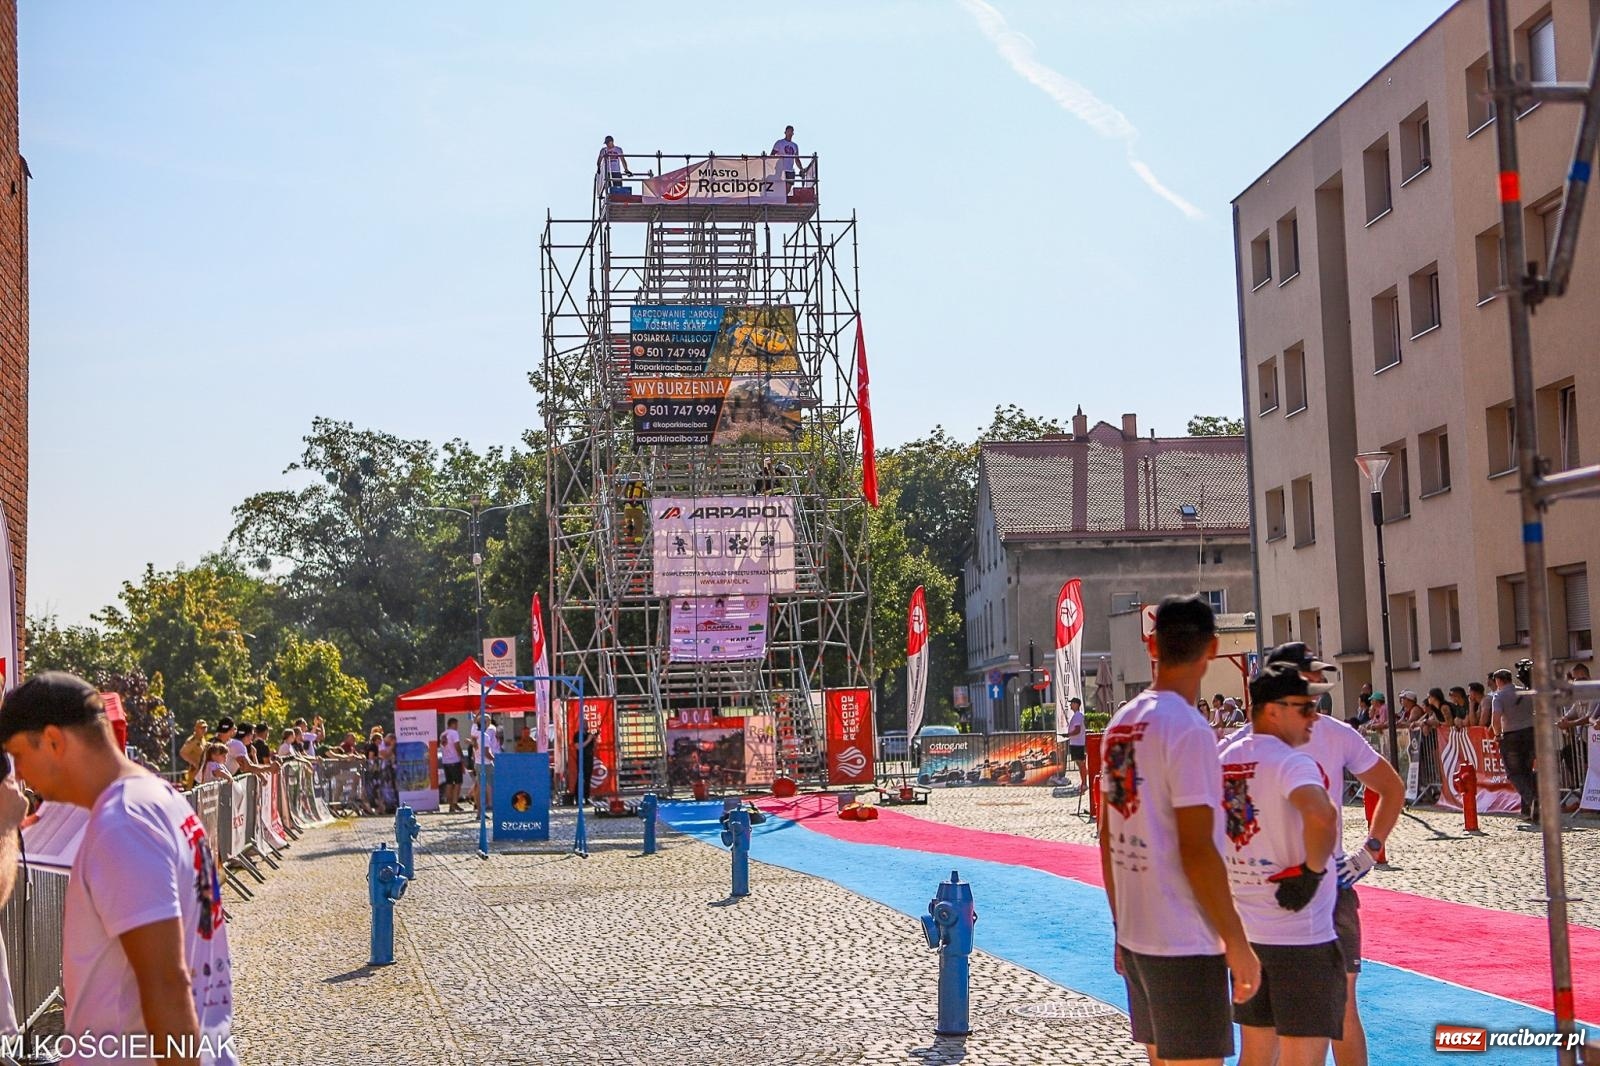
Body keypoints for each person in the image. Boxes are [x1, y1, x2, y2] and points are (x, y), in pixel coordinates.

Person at [0, 673, 238, 1064]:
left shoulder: (123, 823)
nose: (19, 774)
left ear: (54, 741)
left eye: (19, 755)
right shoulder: (156, 798)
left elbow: (166, 985)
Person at [1098, 595, 1259, 1066]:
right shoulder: (1189, 729)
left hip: (1138, 930)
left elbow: (1108, 836)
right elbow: (1198, 849)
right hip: (1184, 938)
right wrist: (1237, 942)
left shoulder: (1121, 722)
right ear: (1213, 648)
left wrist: (1120, 923)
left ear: (1152, 645)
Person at [1257, 643, 1404, 1066]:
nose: (1320, 684)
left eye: (1320, 677)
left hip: (1329, 887)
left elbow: (1391, 788)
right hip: (1270, 891)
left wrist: (1370, 851)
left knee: (1341, 1005)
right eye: (1312, 676)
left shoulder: (1337, 733)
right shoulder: (1244, 743)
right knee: (1274, 1019)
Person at [1219, 663, 1344, 1066]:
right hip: (1301, 937)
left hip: (1249, 930)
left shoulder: (1225, 757)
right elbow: (1323, 814)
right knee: (1302, 1057)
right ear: (1273, 711)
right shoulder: (1292, 761)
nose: (1314, 717)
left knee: (1256, 1053)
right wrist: (1312, 871)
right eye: (1304, 708)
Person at [1491, 663, 1538, 821]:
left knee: (1514, 773)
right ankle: (1528, 811)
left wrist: (1497, 735)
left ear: (1498, 681)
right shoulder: (1525, 692)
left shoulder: (1499, 696)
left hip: (1511, 736)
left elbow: (1496, 719)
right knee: (1527, 771)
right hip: (1530, 733)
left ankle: (1532, 799)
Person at [439, 717, 464, 813]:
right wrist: (461, 756)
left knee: (449, 783)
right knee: (458, 783)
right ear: (452, 724)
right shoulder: (454, 733)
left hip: (446, 761)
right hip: (454, 760)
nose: (457, 726)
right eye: (456, 724)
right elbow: (457, 745)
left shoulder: (443, 734)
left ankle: (450, 805)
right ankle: (454, 803)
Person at [572, 715, 597, 805]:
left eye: (587, 724)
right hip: (581, 760)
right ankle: (577, 798)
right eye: (584, 724)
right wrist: (588, 740)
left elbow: (594, 748)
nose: (586, 725)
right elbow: (578, 747)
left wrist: (594, 740)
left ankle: (587, 798)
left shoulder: (588, 735)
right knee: (580, 779)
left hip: (589, 759)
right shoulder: (577, 735)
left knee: (587, 779)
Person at [179, 720, 209, 787]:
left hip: (202, 772)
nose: (204, 730)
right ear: (196, 729)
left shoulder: (202, 739)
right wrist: (194, 763)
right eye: (201, 728)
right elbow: (183, 753)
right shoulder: (193, 740)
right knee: (194, 790)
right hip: (195, 773)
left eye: (205, 727)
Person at [771, 125, 800, 190]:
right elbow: (772, 155)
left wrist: (801, 169)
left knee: (788, 188)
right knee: (779, 187)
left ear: (793, 133)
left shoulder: (795, 145)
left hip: (790, 170)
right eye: (788, 131)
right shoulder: (779, 143)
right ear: (785, 132)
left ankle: (784, 196)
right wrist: (772, 167)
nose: (790, 133)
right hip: (780, 169)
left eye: (791, 131)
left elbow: (797, 159)